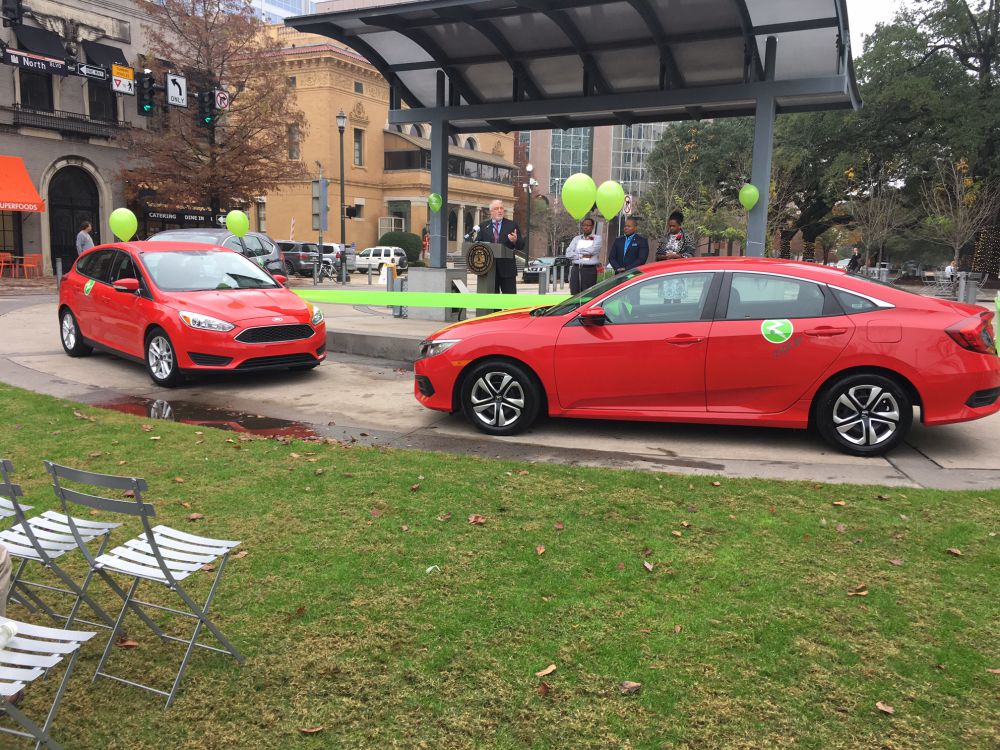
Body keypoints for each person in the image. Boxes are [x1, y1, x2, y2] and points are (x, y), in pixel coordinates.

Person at [477, 199, 524, 294]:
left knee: (509, 302)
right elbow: (477, 244)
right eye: (496, 208)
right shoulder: (483, 226)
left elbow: (521, 245)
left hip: (507, 270)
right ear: (491, 211)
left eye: (501, 208)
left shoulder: (511, 225)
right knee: (493, 303)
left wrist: (515, 241)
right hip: (489, 270)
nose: (500, 211)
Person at [565, 217, 602, 294]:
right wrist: (581, 256)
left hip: (589, 270)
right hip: (576, 269)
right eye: (584, 225)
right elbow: (568, 253)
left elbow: (592, 251)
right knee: (574, 293)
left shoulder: (597, 238)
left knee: (588, 294)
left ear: (592, 227)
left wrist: (577, 250)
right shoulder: (576, 238)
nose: (586, 227)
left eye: (588, 225)